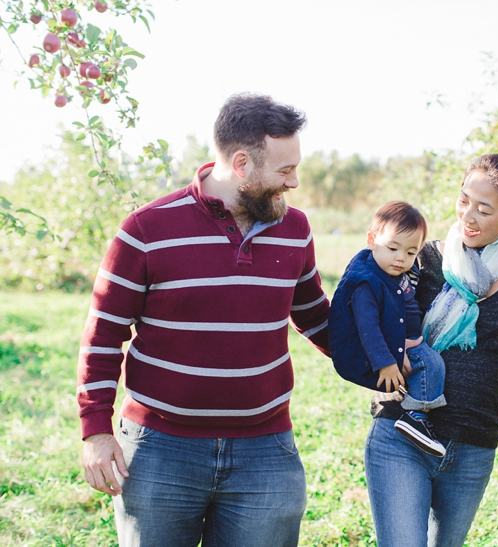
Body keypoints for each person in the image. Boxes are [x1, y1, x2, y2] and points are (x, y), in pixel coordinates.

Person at [76, 93, 330, 547]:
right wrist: (95, 430)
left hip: (265, 452)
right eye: (285, 170)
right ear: (241, 163)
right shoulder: (146, 230)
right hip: (158, 450)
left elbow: (316, 318)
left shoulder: (295, 229)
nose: (294, 182)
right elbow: (103, 334)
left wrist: (390, 356)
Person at [365, 154, 498, 547]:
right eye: (464, 200)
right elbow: (378, 311)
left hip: (473, 446)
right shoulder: (424, 258)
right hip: (401, 431)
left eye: (484, 209)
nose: (467, 216)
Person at [328, 201, 448, 457]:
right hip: (394, 346)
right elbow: (368, 327)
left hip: (408, 340)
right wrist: (386, 363)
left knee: (429, 365)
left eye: (410, 252)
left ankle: (416, 411)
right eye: (393, 248)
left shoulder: (394, 271)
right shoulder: (366, 282)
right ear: (372, 240)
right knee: (432, 365)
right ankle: (417, 415)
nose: (400, 258)